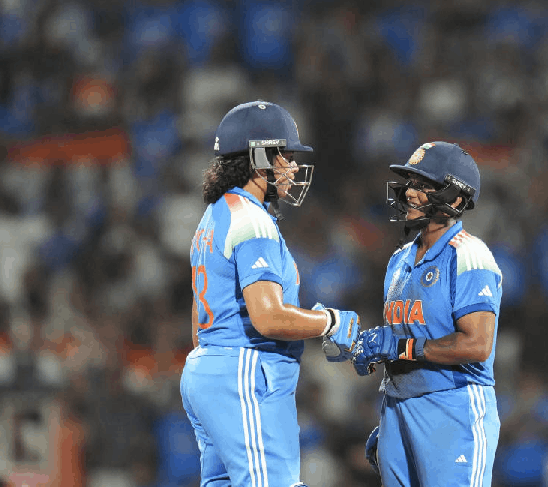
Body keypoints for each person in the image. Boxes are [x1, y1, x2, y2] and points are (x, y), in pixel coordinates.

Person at [180, 100, 361, 487]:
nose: (293, 167)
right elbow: (268, 318)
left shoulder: (214, 215)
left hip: (208, 369)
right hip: (245, 371)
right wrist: (329, 322)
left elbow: (198, 326)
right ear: (260, 157)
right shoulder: (252, 220)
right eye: (286, 156)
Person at [352, 141, 503, 487]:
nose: (410, 194)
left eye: (423, 185)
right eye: (411, 184)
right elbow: (403, 338)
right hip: (400, 411)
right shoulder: (398, 260)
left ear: (455, 199)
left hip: (454, 412)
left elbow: (477, 344)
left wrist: (401, 348)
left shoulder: (469, 255)